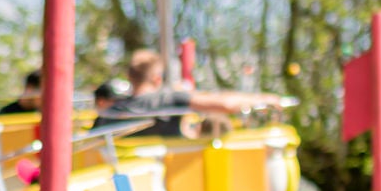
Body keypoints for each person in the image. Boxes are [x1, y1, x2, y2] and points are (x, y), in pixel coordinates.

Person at [122, 49, 286, 137]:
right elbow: (224, 104)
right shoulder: (167, 99)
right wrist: (264, 99)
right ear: (158, 79)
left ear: (129, 77)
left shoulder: (114, 110)